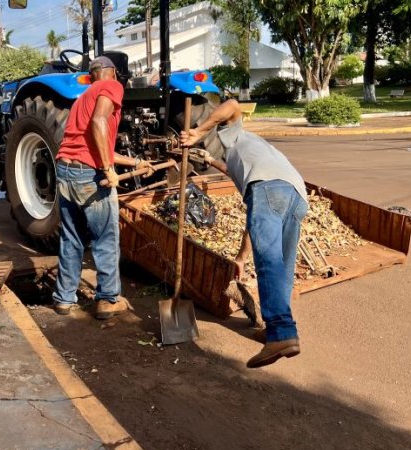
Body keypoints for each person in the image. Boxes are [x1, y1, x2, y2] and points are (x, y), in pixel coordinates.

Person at [180, 99, 308, 368]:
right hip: (296, 193)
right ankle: (279, 331)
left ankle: (282, 334)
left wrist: (198, 131)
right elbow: (255, 218)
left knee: (269, 263)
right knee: (281, 265)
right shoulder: (253, 157)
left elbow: (232, 104)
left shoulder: (235, 134)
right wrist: (241, 257)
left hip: (269, 189)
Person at [52, 56, 153, 319]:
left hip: (65, 171)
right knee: (105, 240)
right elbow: (99, 123)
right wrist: (109, 170)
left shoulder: (81, 99)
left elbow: (97, 146)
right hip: (90, 176)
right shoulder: (112, 86)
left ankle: (64, 299)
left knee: (71, 238)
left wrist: (136, 161)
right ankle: (108, 300)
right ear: (111, 73)